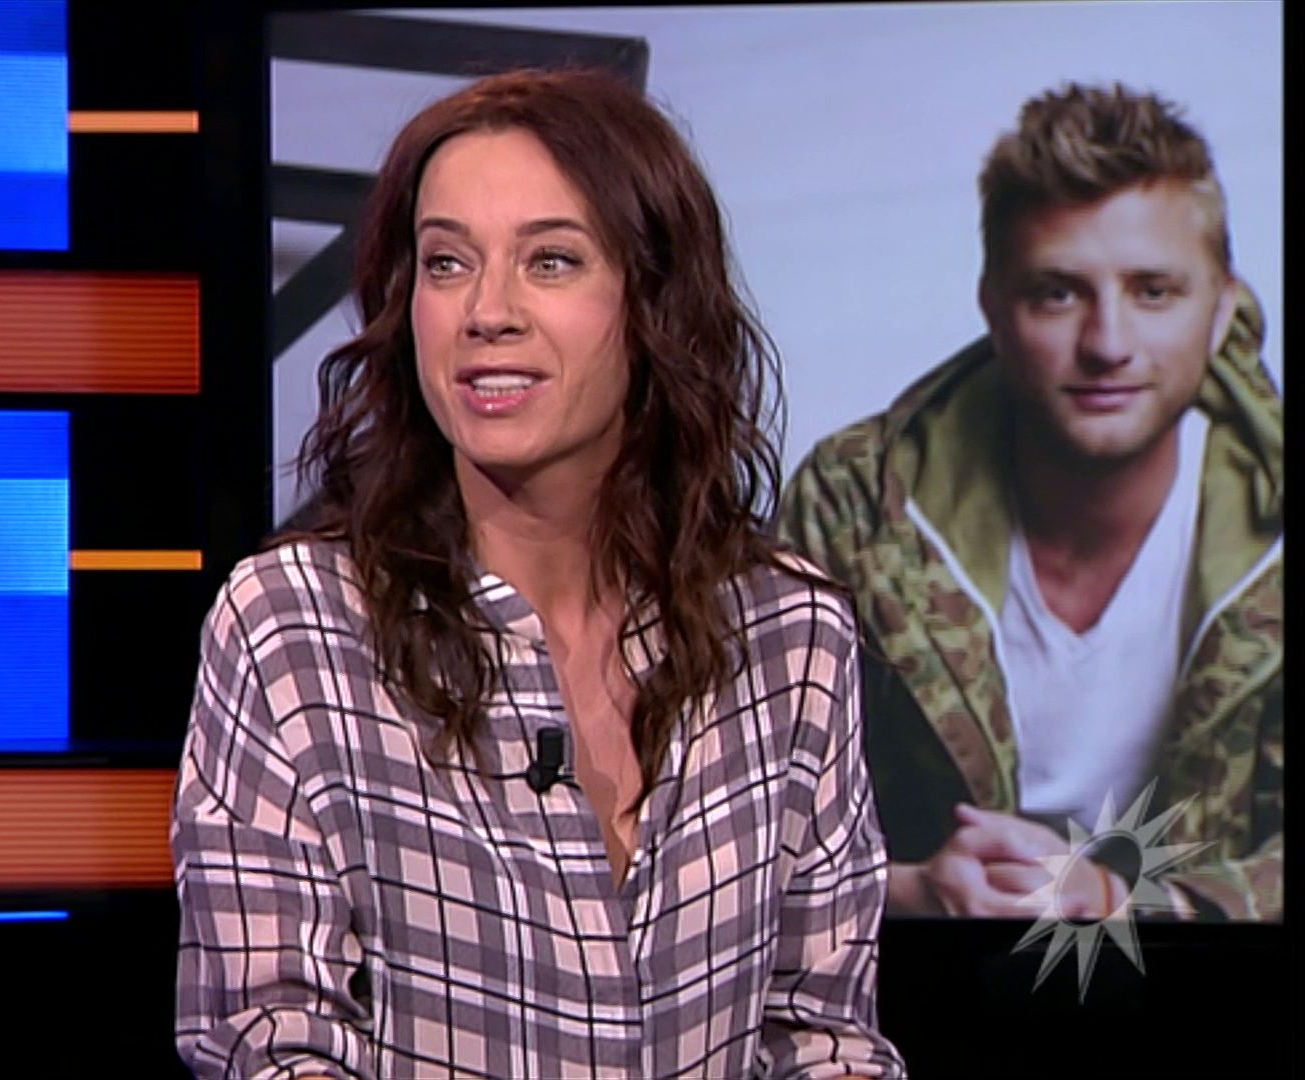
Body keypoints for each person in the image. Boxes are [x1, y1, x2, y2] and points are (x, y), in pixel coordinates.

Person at [173, 69, 903, 1078]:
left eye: (550, 260)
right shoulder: (292, 626)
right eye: (446, 263)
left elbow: (820, 1036)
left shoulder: (790, 629)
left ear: (653, 302)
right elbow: (268, 1039)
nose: (487, 312)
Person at [778, 82, 1282, 922]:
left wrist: (1130, 902)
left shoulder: (1273, 522)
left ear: (1223, 307)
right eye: (1058, 292)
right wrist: (909, 892)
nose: (1108, 344)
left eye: (1154, 291)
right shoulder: (858, 504)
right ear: (992, 306)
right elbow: (749, 825)